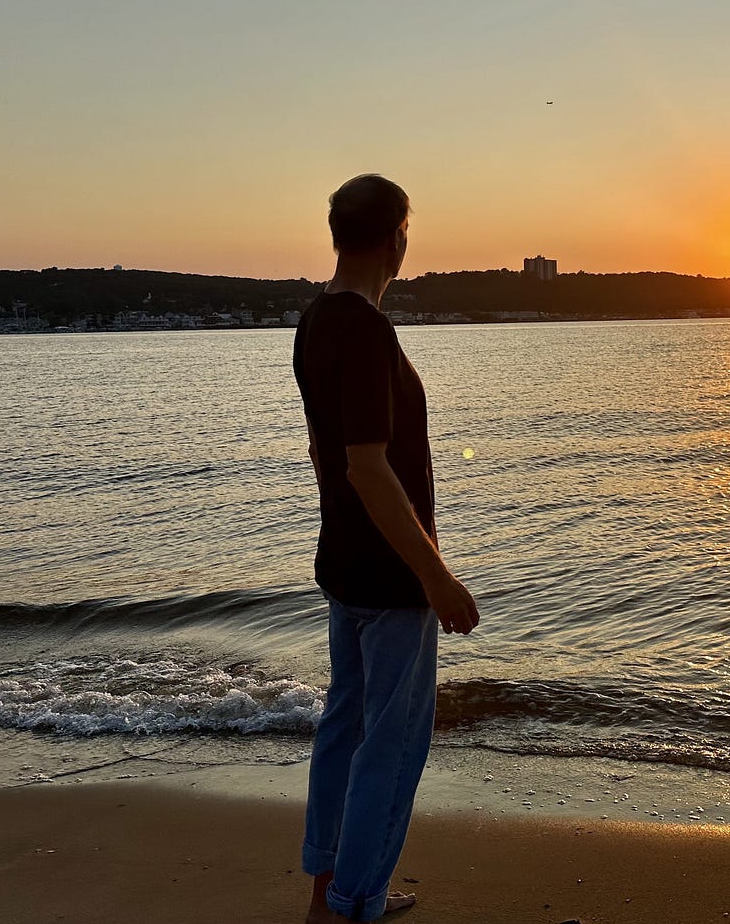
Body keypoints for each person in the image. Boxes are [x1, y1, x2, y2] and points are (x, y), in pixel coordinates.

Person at [292, 173, 480, 923]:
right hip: (389, 572)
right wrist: (435, 576)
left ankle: (327, 891)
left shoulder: (315, 319)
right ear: (397, 236)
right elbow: (366, 464)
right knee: (391, 746)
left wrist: (342, 526)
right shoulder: (367, 331)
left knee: (346, 725)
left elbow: (322, 451)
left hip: (345, 562)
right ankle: (355, 901)